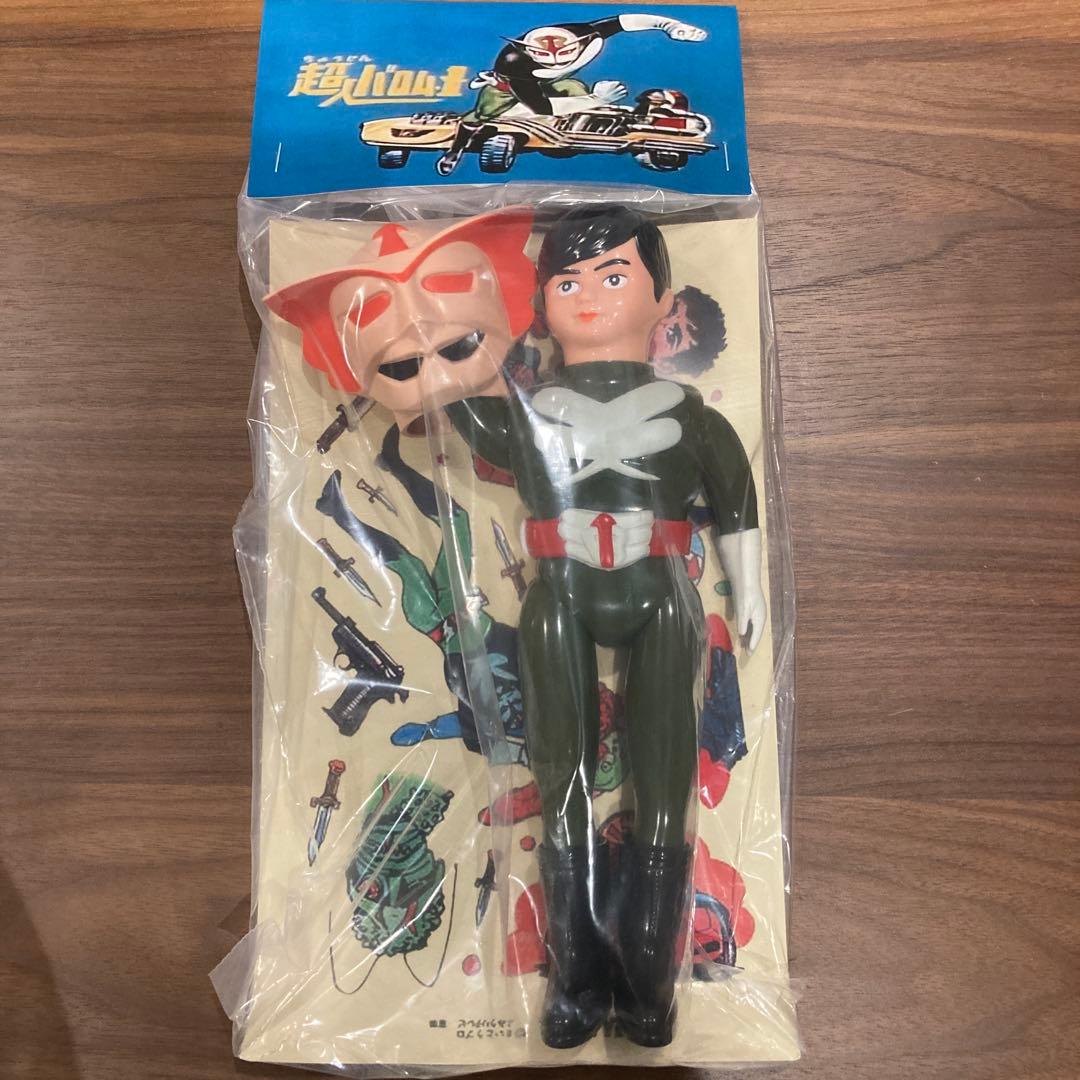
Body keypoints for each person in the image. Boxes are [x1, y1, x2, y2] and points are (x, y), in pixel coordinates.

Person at [445, 205, 765, 1049]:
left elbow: (734, 495)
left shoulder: (688, 414)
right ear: (541, 302)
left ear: (663, 299)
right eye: (567, 282)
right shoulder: (530, 407)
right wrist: (430, 346)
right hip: (559, 591)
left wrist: (750, 585)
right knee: (562, 778)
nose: (589, 295)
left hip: (662, 592)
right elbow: (464, 410)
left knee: (664, 785)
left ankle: (648, 981)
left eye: (614, 276)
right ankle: (578, 979)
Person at [436, 13, 706, 176]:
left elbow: (626, 21)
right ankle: (454, 152)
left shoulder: (586, 33)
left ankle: (579, 124)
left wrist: (669, 25)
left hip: (557, 84)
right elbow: (541, 106)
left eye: (565, 54)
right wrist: (599, 99)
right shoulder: (513, 64)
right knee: (481, 115)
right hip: (510, 89)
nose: (556, 60)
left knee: (575, 89)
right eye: (545, 56)